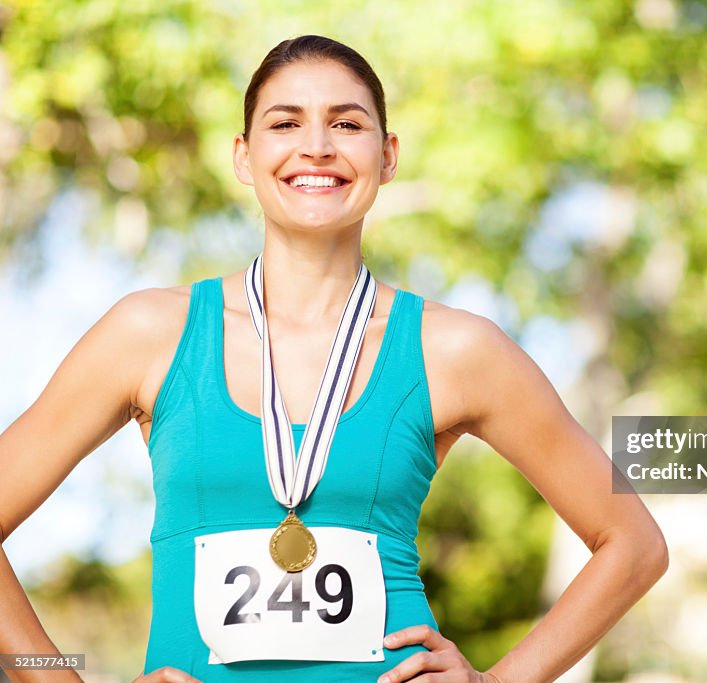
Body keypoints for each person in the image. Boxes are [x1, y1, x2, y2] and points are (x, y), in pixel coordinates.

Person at [0, 35, 668, 683]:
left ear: (388, 154)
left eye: (346, 124)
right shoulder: (149, 333)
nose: (316, 146)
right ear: (243, 155)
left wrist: (499, 680)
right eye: (285, 123)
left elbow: (634, 544)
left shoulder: (456, 349)